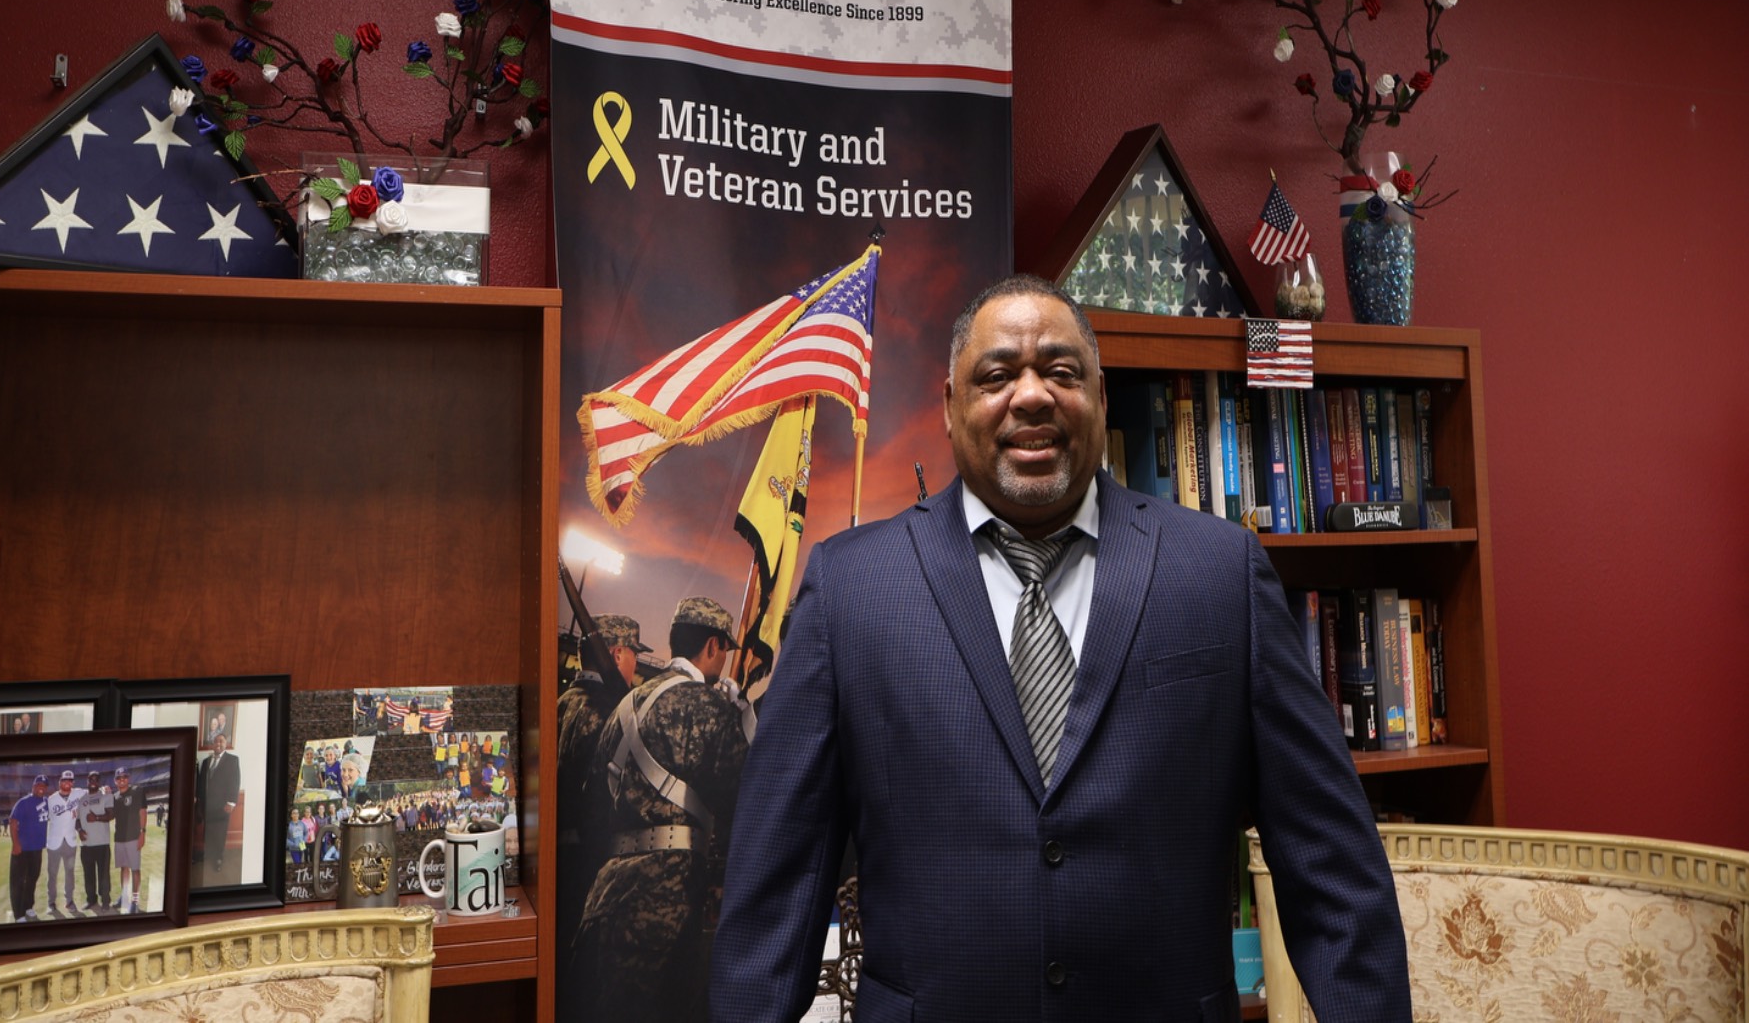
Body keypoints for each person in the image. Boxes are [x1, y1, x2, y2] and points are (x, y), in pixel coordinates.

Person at [710, 275, 1411, 1023]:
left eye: (1060, 371)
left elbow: (1332, 872)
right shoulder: (849, 588)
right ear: (948, 407)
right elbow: (775, 894)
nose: (1032, 395)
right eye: (996, 375)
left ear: (1100, 397)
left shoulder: (1220, 574)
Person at [569, 598, 752, 1023]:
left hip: (607, 891)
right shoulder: (708, 707)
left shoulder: (624, 706)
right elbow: (740, 800)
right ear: (712, 647)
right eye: (724, 651)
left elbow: (593, 804)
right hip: (669, 904)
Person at [554, 612, 652, 982]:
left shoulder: (560, 701)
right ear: (616, 654)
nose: (636, 664)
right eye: (633, 654)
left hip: (551, 862)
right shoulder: (614, 711)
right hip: (592, 862)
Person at [195, 731, 241, 880]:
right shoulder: (206, 761)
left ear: (225, 744)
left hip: (223, 806)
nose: (218, 744)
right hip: (207, 805)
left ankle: (218, 859)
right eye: (216, 741)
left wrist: (232, 802)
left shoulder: (232, 760)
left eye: (221, 741)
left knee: (219, 833)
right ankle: (209, 855)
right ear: (213, 744)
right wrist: (198, 799)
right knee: (208, 832)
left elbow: (235, 781)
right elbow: (201, 782)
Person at [8, 772, 50, 922]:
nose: (41, 788)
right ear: (33, 786)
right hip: (22, 849)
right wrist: (16, 844)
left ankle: (28, 907)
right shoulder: (23, 802)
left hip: (36, 849)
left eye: (44, 786)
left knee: (32, 879)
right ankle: (18, 914)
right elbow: (13, 822)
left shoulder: (46, 802)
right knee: (18, 882)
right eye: (39, 785)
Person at [43, 769, 83, 914]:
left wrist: (104, 789)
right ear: (60, 782)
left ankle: (69, 901)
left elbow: (93, 791)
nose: (67, 783)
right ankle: (51, 902)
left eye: (70, 780)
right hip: (54, 842)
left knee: (69, 873)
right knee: (52, 874)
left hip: (70, 841)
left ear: (73, 782)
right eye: (64, 780)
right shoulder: (51, 799)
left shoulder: (78, 793)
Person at [110, 766, 147, 913]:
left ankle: (135, 901)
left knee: (135, 869)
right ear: (115, 781)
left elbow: (143, 812)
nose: (122, 780)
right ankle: (124, 897)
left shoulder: (137, 791)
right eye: (119, 778)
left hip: (133, 837)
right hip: (119, 838)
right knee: (124, 868)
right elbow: (110, 814)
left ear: (129, 778)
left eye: (124, 777)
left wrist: (142, 833)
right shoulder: (114, 796)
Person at [77, 769, 114, 911]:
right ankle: (91, 900)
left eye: (96, 779)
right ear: (87, 781)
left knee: (104, 875)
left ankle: (105, 900)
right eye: (90, 779)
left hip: (102, 843)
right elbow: (77, 820)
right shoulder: (82, 800)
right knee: (88, 874)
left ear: (99, 782)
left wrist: (97, 818)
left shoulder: (106, 797)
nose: (93, 782)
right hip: (86, 845)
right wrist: (80, 830)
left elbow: (111, 815)